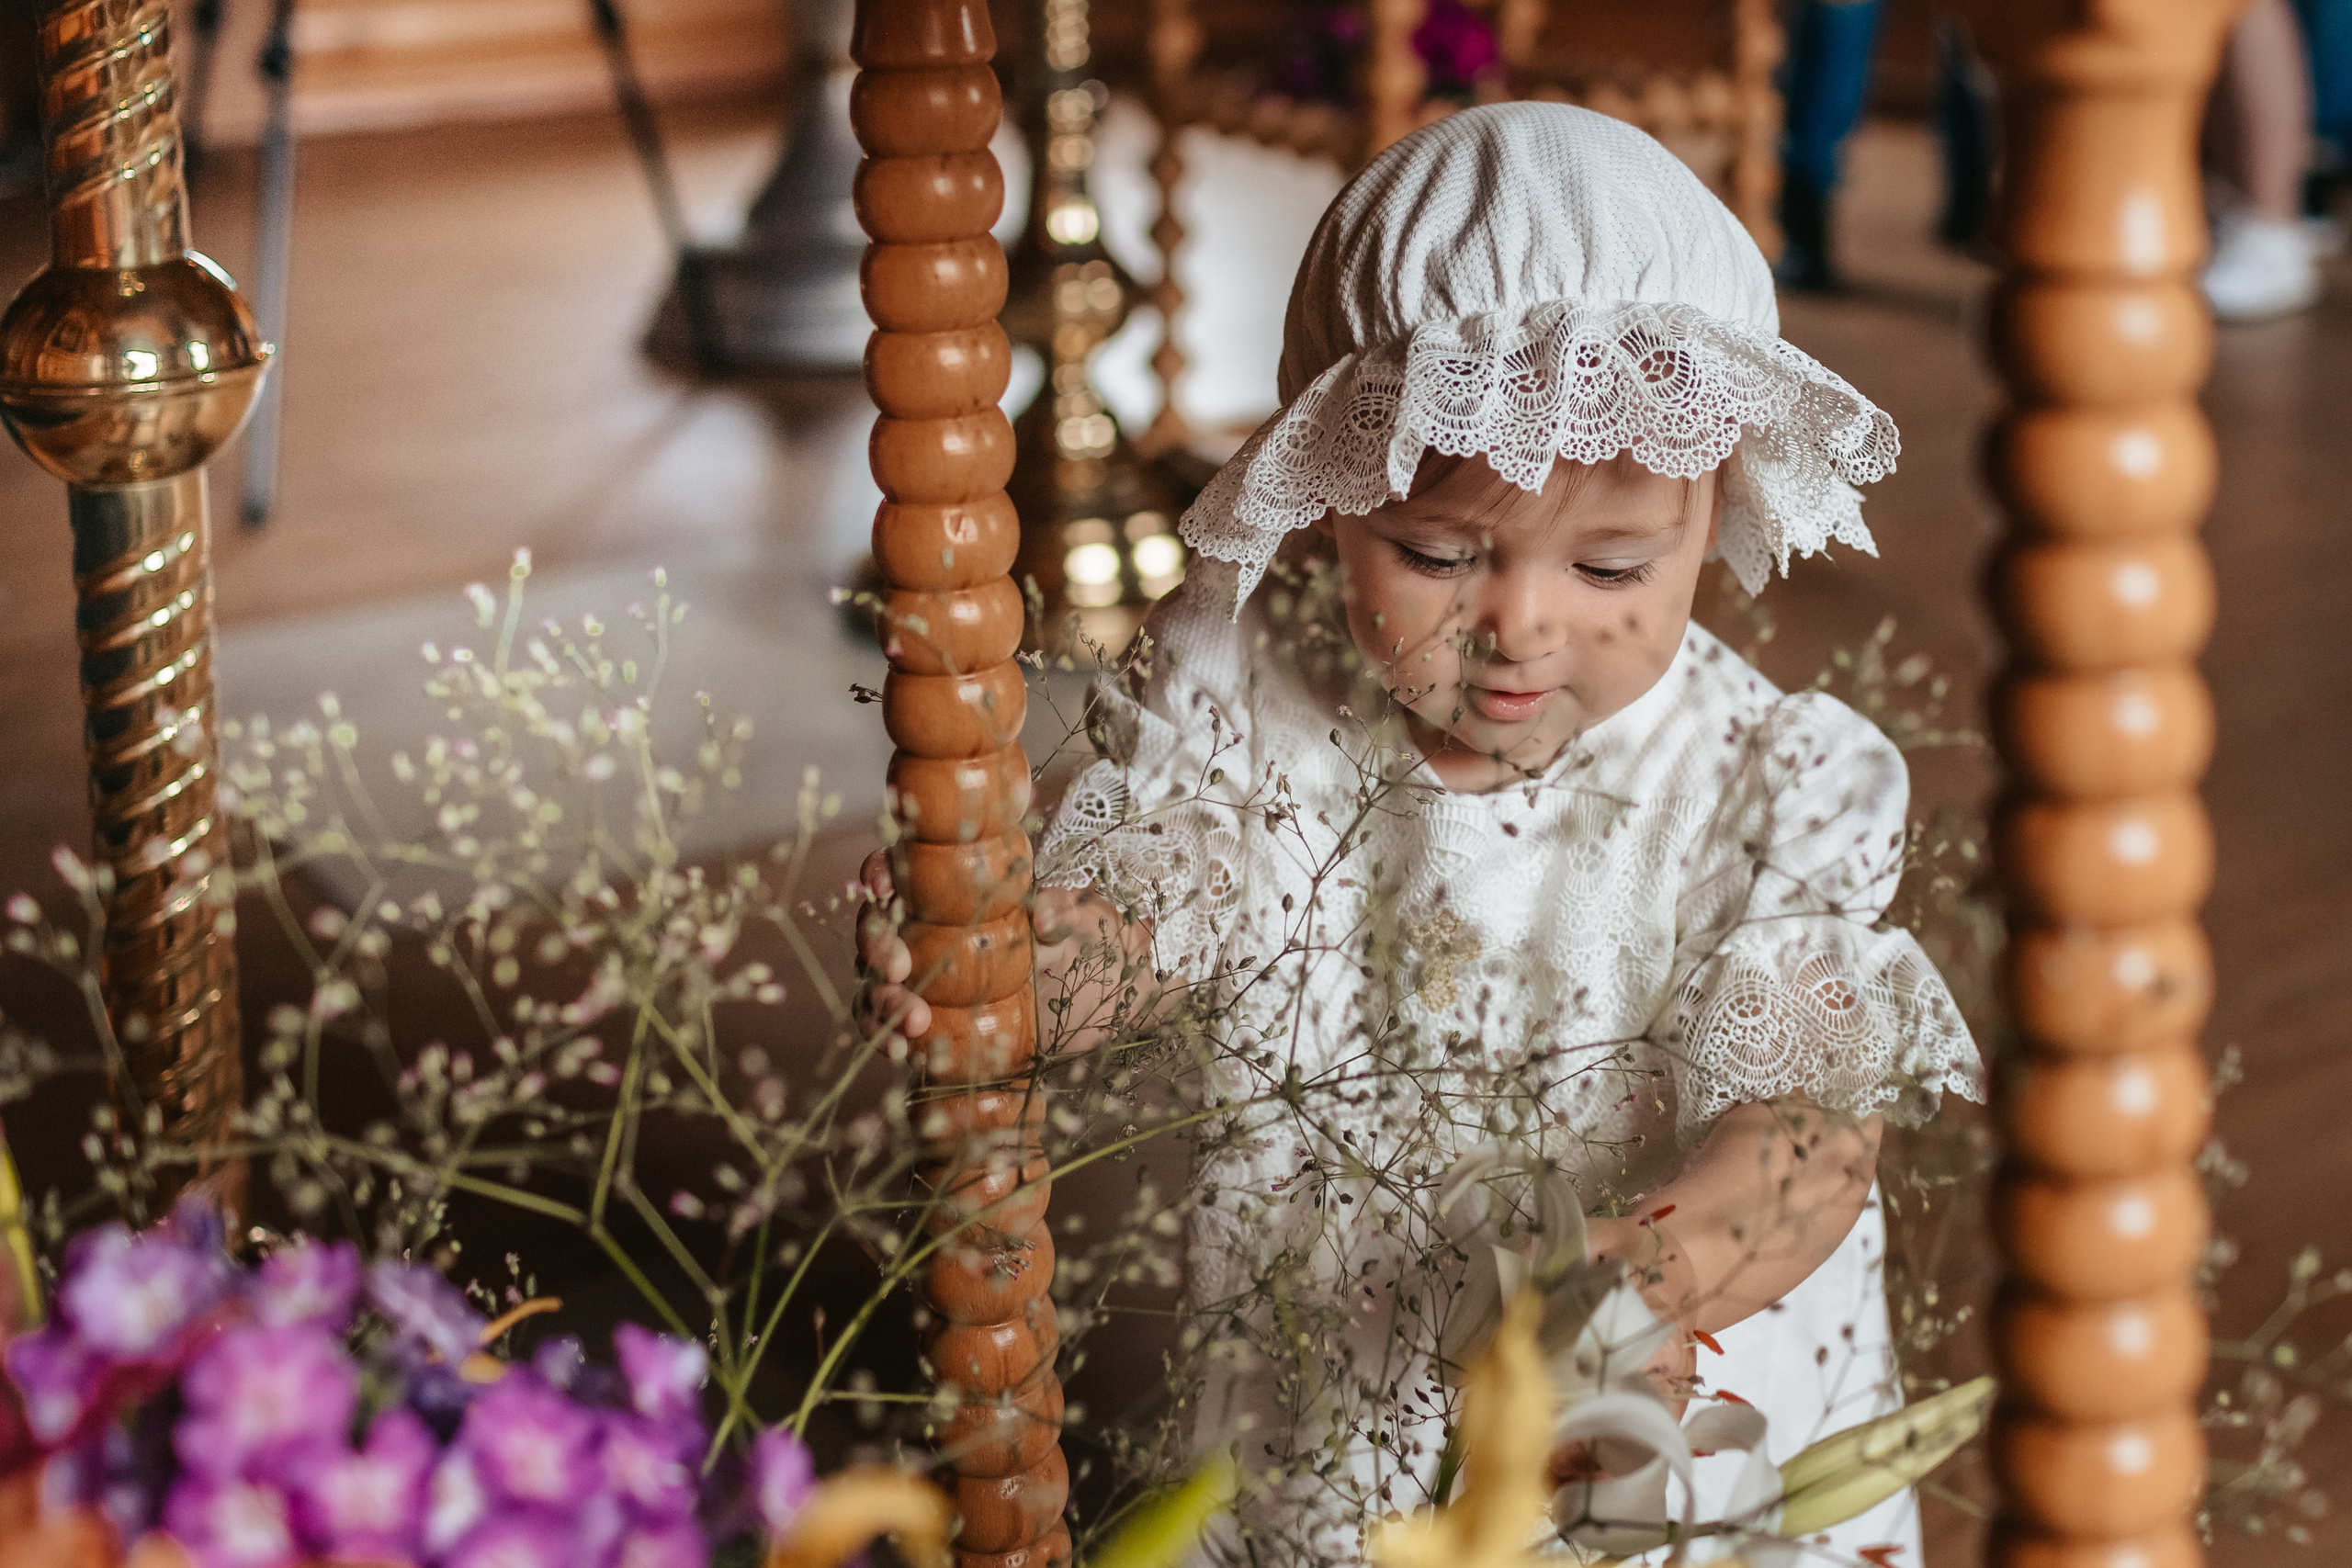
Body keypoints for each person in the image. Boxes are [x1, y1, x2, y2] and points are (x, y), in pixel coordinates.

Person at [862, 106, 1983, 1565]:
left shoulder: (1769, 781)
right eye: (1438, 553)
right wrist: (1013, 964)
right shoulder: (1263, 709)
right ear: (1326, 504)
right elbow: (1151, 907)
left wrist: (1648, 1277)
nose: (1519, 623)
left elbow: (1813, 1129)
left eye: (1611, 567)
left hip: (1651, 1418)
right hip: (1343, 1400)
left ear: (1714, 514)